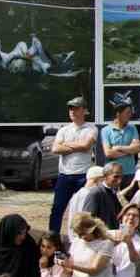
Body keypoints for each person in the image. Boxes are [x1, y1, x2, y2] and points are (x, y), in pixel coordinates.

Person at [48, 96, 99, 239]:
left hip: (83, 176)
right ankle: (53, 238)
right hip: (64, 175)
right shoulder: (63, 130)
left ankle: (83, 238)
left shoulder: (91, 128)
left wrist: (67, 145)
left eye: (76, 108)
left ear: (84, 111)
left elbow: (86, 146)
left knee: (83, 209)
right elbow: (55, 149)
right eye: (71, 108)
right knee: (57, 208)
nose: (72, 111)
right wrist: (76, 146)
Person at [101, 99, 140, 179]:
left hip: (130, 172)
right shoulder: (106, 130)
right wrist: (129, 151)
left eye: (130, 112)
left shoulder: (132, 128)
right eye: (127, 113)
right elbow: (109, 153)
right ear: (118, 114)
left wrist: (118, 148)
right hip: (112, 174)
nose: (130, 115)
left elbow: (137, 148)